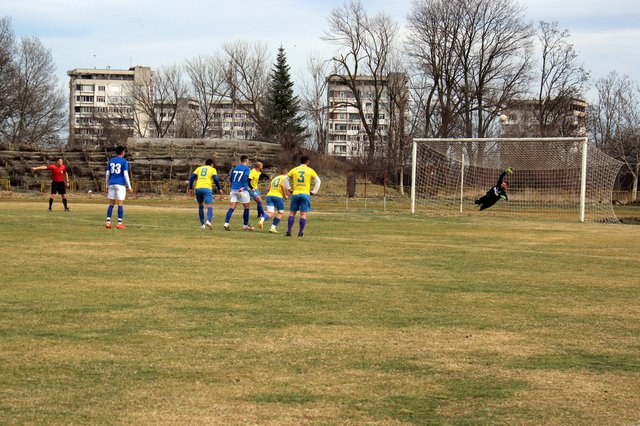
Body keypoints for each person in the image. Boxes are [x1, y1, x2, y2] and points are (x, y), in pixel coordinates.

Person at [284, 155, 321, 237]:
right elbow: (318, 181)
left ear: (300, 161)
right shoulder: (310, 170)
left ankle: (289, 231)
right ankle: (300, 232)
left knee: (292, 213)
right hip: (305, 193)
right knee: (303, 214)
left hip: (296, 193)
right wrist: (314, 191)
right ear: (308, 161)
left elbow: (286, 179)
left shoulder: (295, 169)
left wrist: (289, 188)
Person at [188, 158, 222, 230]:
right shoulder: (212, 169)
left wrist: (190, 188)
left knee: (200, 205)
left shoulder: (199, 168)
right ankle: (208, 221)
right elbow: (216, 179)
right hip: (207, 188)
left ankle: (202, 224)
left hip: (198, 188)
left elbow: (191, 178)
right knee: (209, 206)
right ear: (212, 164)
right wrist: (219, 189)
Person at [223, 155, 254, 231]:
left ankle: (226, 223)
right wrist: (243, 186)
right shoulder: (247, 169)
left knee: (232, 207)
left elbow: (230, 178)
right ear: (246, 161)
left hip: (234, 189)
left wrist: (234, 184)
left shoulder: (235, 168)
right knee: (246, 208)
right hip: (242, 190)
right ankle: (245, 225)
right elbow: (246, 178)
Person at [105, 146, 133, 229]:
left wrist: (107, 185)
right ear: (122, 152)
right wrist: (129, 186)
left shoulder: (111, 161)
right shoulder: (124, 161)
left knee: (111, 203)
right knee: (120, 204)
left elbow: (107, 174)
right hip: (120, 184)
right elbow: (125, 174)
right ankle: (119, 223)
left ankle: (108, 222)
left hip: (111, 183)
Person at [257, 166, 288, 233]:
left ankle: (262, 219)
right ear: (286, 173)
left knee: (270, 213)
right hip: (278, 196)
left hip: (270, 195)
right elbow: (282, 185)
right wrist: (285, 195)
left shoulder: (275, 178)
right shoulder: (285, 178)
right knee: (280, 212)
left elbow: (268, 189)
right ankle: (272, 228)